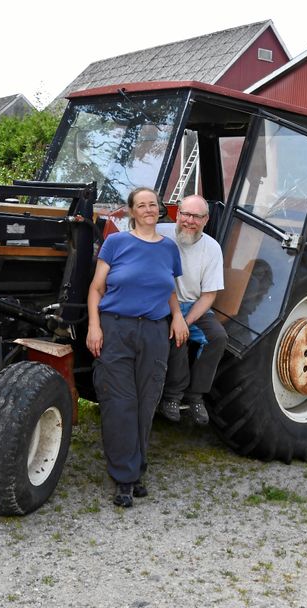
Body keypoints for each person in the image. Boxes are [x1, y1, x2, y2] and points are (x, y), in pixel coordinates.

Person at [86, 187, 189, 508]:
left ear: (160, 210)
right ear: (131, 211)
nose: (147, 209)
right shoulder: (117, 242)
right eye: (141, 205)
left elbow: (166, 286)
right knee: (120, 403)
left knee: (147, 402)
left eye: (152, 204)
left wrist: (177, 316)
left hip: (155, 333)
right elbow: (96, 288)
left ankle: (136, 469)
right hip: (116, 328)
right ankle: (124, 478)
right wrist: (94, 326)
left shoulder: (169, 249)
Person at [156, 194, 228, 426]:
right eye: (185, 214)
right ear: (177, 213)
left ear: (206, 220)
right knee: (175, 337)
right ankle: (171, 397)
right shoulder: (161, 234)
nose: (189, 221)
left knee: (217, 337)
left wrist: (187, 320)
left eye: (197, 216)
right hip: (164, 301)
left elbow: (209, 295)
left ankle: (196, 396)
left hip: (195, 305)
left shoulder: (212, 248)